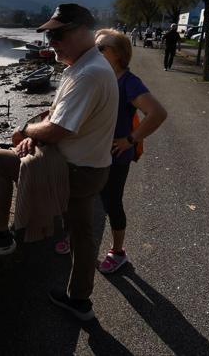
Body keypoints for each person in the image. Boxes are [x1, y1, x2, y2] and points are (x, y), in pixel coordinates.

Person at [0, 4, 118, 321]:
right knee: (83, 233)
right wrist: (39, 137)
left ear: (83, 31)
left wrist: (26, 131)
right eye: (50, 35)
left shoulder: (88, 74)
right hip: (95, 169)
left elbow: (58, 128)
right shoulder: (88, 66)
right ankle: (79, 300)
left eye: (58, 34)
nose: (52, 42)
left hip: (73, 170)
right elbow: (60, 117)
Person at [54, 29, 168, 273]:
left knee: (111, 203)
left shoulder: (128, 82)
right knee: (73, 196)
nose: (95, 51)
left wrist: (130, 139)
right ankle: (71, 235)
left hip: (115, 156)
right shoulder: (94, 75)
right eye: (94, 46)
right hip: (88, 150)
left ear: (119, 54)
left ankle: (118, 252)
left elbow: (158, 113)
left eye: (102, 48)